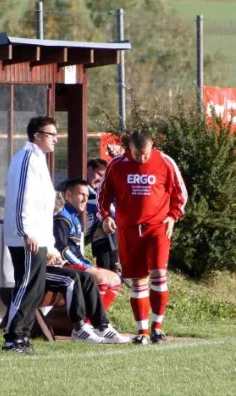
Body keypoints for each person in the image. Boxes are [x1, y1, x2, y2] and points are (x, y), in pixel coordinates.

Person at [97, 129, 187, 344]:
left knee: (158, 272)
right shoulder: (116, 165)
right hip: (129, 230)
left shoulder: (165, 161)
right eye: (138, 154)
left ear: (152, 146)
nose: (142, 158)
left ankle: (157, 327)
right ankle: (143, 331)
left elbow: (180, 194)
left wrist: (173, 216)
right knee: (138, 280)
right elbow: (103, 195)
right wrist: (106, 216)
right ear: (130, 148)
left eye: (145, 154)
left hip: (157, 226)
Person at [3, 115, 62, 353]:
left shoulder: (40, 161)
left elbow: (43, 208)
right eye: (51, 135)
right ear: (37, 136)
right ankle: (13, 337)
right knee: (26, 286)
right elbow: (21, 200)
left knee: (36, 289)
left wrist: (50, 245)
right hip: (26, 239)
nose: (55, 140)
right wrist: (25, 232)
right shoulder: (27, 158)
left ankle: (23, 337)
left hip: (38, 239)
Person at [54, 179, 121, 311]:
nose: (85, 200)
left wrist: (87, 264)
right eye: (81, 195)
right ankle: (90, 322)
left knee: (115, 279)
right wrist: (84, 266)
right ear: (68, 195)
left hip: (76, 262)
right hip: (63, 264)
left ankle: (98, 322)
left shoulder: (74, 216)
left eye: (87, 196)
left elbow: (75, 249)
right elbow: (62, 248)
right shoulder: (62, 217)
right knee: (102, 279)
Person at [45, 264, 130, 344]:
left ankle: (101, 326)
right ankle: (79, 328)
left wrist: (55, 255)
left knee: (87, 278)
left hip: (55, 265)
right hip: (40, 267)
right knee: (72, 278)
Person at [85, 159, 119, 272]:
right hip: (78, 227)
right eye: (99, 174)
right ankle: (108, 270)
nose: (101, 179)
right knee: (104, 223)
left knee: (108, 223)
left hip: (95, 229)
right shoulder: (79, 187)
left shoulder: (103, 190)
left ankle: (111, 268)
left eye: (104, 176)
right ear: (88, 170)